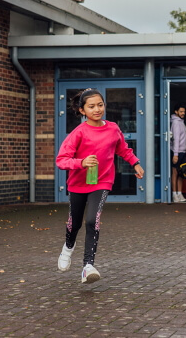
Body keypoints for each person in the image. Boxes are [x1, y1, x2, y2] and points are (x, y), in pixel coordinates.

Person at [56, 88, 144, 284]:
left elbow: (122, 148)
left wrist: (135, 163)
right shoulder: (78, 133)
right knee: (75, 223)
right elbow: (61, 160)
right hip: (78, 183)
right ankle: (68, 247)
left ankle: (88, 266)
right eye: (91, 106)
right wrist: (81, 163)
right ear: (82, 110)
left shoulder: (112, 128)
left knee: (91, 220)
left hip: (102, 181)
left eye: (100, 105)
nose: (97, 109)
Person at [171, 104, 186, 202]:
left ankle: (180, 193)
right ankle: (174, 194)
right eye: (181, 111)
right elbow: (176, 139)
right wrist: (175, 154)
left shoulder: (181, 122)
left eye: (184, 112)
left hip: (183, 151)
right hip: (177, 152)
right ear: (176, 112)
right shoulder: (176, 123)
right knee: (175, 172)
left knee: (181, 173)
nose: (183, 113)